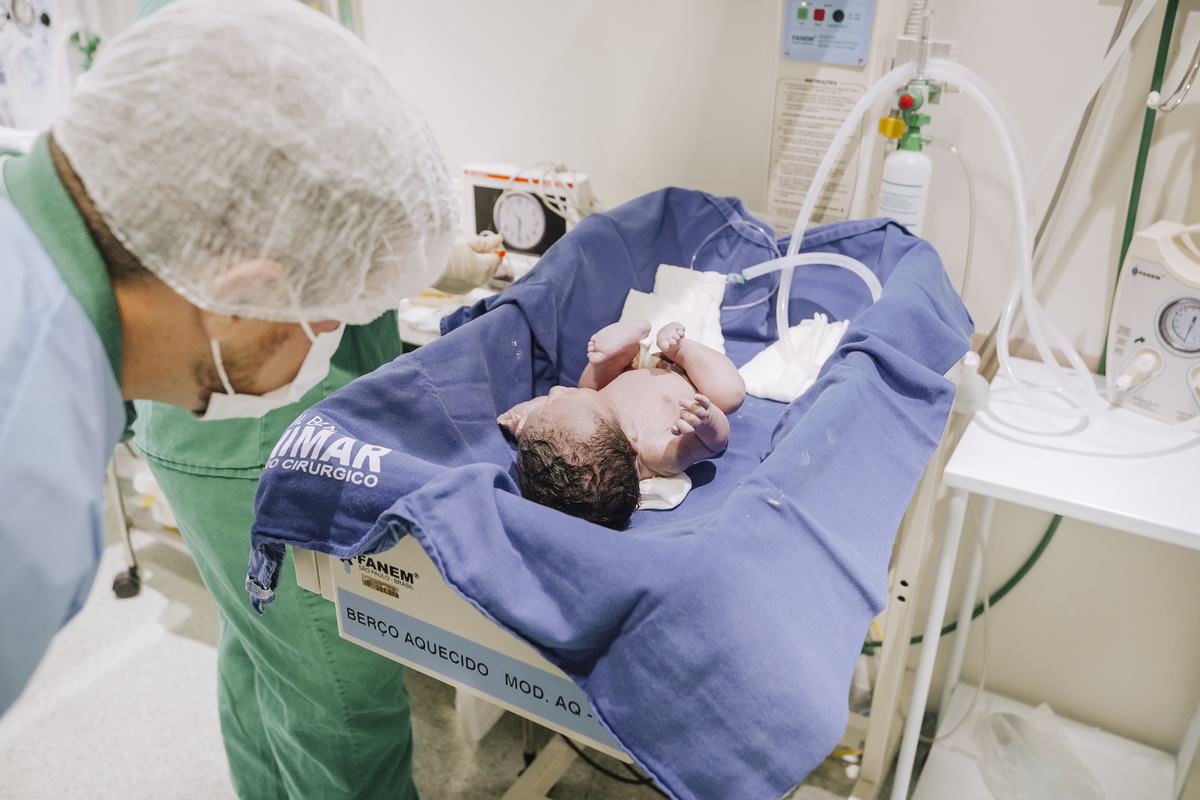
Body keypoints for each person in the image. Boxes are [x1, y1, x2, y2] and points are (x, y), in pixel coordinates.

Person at [0, 0, 500, 796]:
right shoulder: (29, 500)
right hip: (241, 452)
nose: (337, 329)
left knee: (264, 639)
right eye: (334, 310)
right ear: (239, 296)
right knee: (337, 693)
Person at [498, 319, 746, 528]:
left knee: (587, 387)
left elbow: (553, 417)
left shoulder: (584, 421)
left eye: (550, 400)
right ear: (630, 441)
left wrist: (524, 415)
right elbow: (714, 444)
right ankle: (682, 350)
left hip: (631, 369)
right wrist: (706, 420)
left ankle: (624, 348)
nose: (555, 390)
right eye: (565, 395)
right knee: (730, 394)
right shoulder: (658, 453)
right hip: (689, 378)